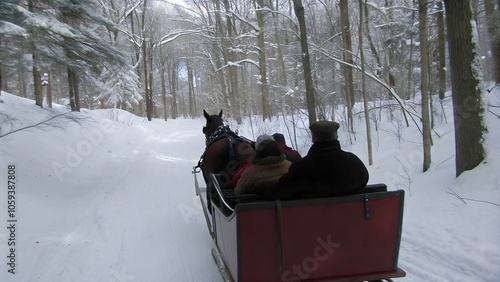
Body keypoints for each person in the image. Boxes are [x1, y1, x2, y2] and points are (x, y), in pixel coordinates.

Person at [266, 121, 369, 200]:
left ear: (313, 139)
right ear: (336, 137)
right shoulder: (354, 162)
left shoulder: (301, 168)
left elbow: (280, 191)